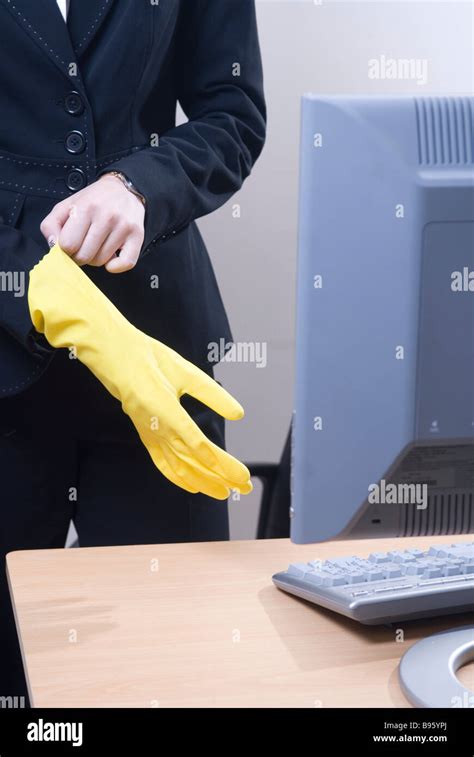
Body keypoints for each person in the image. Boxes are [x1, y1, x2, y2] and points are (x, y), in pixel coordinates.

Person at [0, 0, 266, 702]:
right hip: (4, 365)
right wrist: (27, 276)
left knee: (175, 666)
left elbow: (232, 108)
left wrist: (139, 184)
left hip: (157, 349)